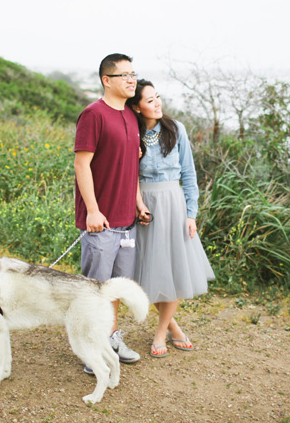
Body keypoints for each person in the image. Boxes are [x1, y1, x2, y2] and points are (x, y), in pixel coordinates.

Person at [74, 53, 151, 372]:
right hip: (100, 223)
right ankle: (91, 351)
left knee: (116, 288)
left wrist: (138, 203)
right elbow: (82, 164)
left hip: (126, 221)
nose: (132, 80)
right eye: (125, 75)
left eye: (134, 74)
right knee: (95, 289)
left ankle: (110, 338)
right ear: (107, 80)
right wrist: (92, 210)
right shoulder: (93, 115)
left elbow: (130, 167)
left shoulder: (132, 118)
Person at [127, 79, 215, 358]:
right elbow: (127, 175)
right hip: (143, 205)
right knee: (146, 272)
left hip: (173, 202)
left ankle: (160, 332)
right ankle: (174, 327)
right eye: (150, 100)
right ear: (136, 107)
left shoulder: (176, 129)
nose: (157, 103)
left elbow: (189, 174)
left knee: (174, 268)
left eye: (158, 97)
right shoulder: (131, 132)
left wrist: (191, 213)